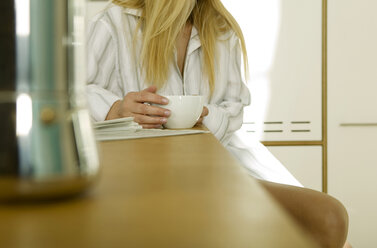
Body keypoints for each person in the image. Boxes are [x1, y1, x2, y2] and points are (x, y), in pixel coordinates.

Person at [86, 1, 350, 247]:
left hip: (217, 164)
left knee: (330, 219)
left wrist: (206, 116)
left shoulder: (221, 29)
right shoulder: (114, 22)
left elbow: (235, 107)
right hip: (143, 173)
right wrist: (114, 108)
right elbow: (76, 93)